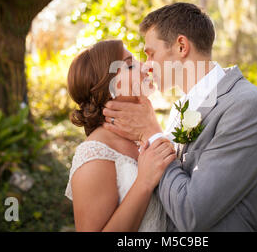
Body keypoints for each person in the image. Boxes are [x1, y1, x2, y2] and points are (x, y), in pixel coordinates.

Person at [102, 2, 257, 231]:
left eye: (151, 54)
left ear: (181, 47)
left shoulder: (249, 107)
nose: (147, 66)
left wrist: (151, 134)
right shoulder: (181, 108)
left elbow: (192, 214)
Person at [64, 39, 176, 231]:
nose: (145, 67)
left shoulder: (143, 135)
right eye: (131, 65)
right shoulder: (94, 154)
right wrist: (144, 182)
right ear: (108, 87)